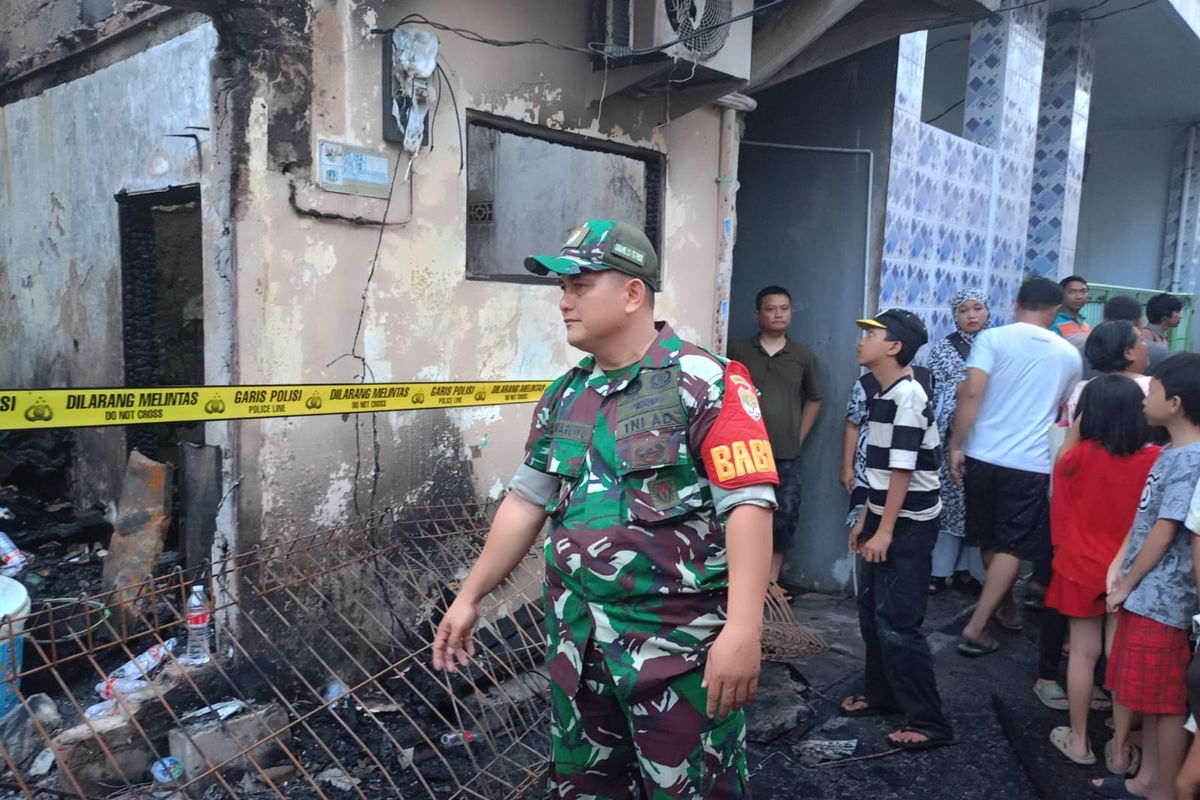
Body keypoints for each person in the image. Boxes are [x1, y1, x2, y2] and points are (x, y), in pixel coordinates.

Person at [431, 219, 778, 799]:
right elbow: (525, 502)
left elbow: (748, 504)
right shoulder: (566, 394)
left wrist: (744, 628)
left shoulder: (705, 383)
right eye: (561, 288)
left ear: (632, 292)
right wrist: (470, 596)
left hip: (677, 653)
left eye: (579, 285)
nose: (563, 302)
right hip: (579, 649)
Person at [840, 309, 954, 751]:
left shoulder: (906, 395)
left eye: (872, 335)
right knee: (872, 614)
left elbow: (904, 472)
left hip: (908, 525)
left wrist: (884, 532)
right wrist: (866, 523)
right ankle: (882, 693)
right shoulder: (882, 392)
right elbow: (882, 472)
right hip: (887, 515)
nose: (861, 341)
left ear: (893, 347)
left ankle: (930, 722)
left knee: (899, 624)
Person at [950, 278, 1082, 657]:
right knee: (1013, 544)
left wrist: (956, 444)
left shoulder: (992, 339)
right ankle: (989, 617)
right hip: (1029, 460)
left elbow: (971, 392)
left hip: (981, 453)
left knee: (990, 539)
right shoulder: (1069, 355)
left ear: (1015, 302)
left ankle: (993, 613)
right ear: (1056, 310)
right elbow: (1061, 409)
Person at [1093, 353, 1200, 800]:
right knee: (1152, 701)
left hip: (1164, 600)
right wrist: (1120, 566)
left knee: (1167, 704)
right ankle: (1148, 780)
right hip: (1147, 595)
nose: (1143, 400)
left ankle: (1162, 788)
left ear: (1174, 402)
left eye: (1151, 391)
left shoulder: (1191, 459)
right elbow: (1144, 522)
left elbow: (1165, 528)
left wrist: (1128, 581)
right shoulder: (1170, 451)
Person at [1043, 376, 1160, 768]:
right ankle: (1122, 750)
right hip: (1129, 570)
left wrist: (1081, 422)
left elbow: (1062, 459)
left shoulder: (1080, 457)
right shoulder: (1155, 459)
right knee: (1120, 655)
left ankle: (1079, 742)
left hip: (1079, 566)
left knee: (1082, 653)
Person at [729, 286, 823, 584]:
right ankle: (741, 582)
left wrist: (798, 438)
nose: (778, 314)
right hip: (743, 451)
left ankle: (771, 582)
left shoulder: (802, 355)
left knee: (784, 517)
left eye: (784, 308)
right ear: (758, 314)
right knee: (741, 515)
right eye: (771, 308)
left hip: (784, 453)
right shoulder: (738, 351)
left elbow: (815, 398)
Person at [924, 288, 989, 594]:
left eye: (977, 308)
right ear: (955, 316)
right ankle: (939, 571)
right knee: (950, 505)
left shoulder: (996, 346)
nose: (972, 315)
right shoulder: (941, 350)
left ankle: (967, 571)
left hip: (987, 439)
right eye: (964, 310)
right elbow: (935, 393)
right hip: (952, 437)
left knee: (977, 507)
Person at [1065, 320, 1152, 422]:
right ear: (1128, 353)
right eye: (1141, 340)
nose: (1147, 345)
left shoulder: (1082, 390)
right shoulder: (1152, 388)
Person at [1143, 293, 1183, 369]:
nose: (1180, 316)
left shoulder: (1162, 336)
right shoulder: (1146, 336)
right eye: (1177, 312)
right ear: (1165, 316)